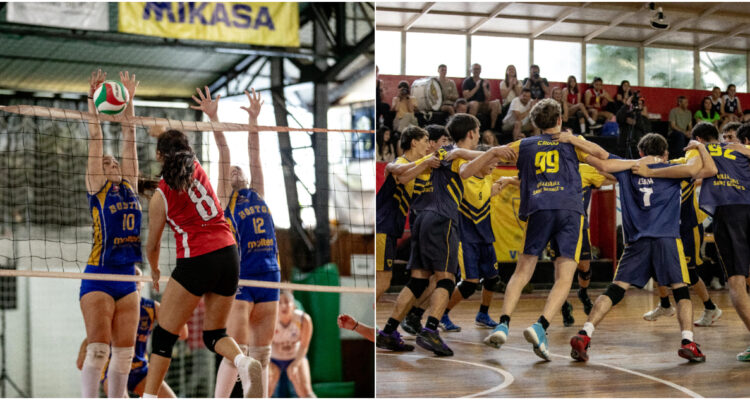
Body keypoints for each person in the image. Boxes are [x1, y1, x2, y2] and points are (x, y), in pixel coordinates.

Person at [377, 114, 516, 357]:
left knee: (419, 280)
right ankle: (431, 329)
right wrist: (494, 151)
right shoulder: (452, 152)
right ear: (472, 133)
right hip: (441, 218)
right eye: (478, 129)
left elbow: (467, 167)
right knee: (446, 278)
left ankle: (389, 331)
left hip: (421, 220)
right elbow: (467, 166)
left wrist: (491, 154)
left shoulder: (445, 154)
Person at [483, 99, 609, 361]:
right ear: (560, 120)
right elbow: (602, 155)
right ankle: (541, 326)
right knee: (564, 276)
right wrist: (574, 140)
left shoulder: (524, 145)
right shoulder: (570, 145)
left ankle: (503, 323)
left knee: (522, 270)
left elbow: (495, 153)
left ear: (533, 123)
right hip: (568, 211)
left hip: (539, 208)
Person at [142, 125, 262, 397]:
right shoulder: (197, 166)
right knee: (215, 334)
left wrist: (154, 267)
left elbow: (153, 244)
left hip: (197, 259)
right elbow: (177, 141)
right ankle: (243, 361)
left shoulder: (161, 196)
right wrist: (163, 131)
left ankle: (148, 397)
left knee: (164, 336)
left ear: (159, 155)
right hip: (230, 255)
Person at [569, 133, 711, 363]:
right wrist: (699, 147)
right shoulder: (674, 169)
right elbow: (700, 169)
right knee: (681, 290)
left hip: (636, 241)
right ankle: (688, 342)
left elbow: (597, 157)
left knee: (615, 289)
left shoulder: (628, 169)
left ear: (641, 152)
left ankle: (585, 334)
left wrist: (573, 139)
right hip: (667, 238)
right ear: (665, 153)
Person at [190, 88, 281, 398]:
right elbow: (223, 152)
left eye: (238, 170)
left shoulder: (258, 193)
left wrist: (254, 119)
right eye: (231, 171)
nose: (236, 169)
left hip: (270, 274)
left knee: (262, 353)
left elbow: (254, 154)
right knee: (239, 350)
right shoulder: (225, 200)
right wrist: (214, 117)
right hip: (241, 276)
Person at [80, 69, 141, 399]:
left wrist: (129, 104)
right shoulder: (97, 189)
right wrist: (93, 104)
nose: (110, 160)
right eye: (105, 163)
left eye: (113, 161)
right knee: (99, 352)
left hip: (128, 278)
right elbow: (96, 139)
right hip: (99, 275)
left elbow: (129, 138)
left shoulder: (130, 185)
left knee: (124, 358)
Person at [77, 268, 189, 398]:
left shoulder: (151, 307)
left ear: (142, 283)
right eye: (130, 276)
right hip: (111, 369)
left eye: (137, 278)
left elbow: (182, 334)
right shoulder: (113, 305)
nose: (134, 280)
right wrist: (84, 352)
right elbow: (96, 336)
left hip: (140, 370)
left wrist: (175, 309)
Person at [692, 122, 750, 361]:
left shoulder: (705, 150)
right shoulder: (742, 151)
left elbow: (698, 173)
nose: (728, 140)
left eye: (731, 137)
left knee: (735, 281)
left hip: (730, 213)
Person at [438, 145, 505, 332]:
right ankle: (441, 314)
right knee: (469, 283)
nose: (495, 164)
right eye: (491, 161)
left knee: (492, 279)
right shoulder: (464, 179)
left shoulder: (489, 178)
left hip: (485, 236)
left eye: (496, 161)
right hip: (465, 238)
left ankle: (483, 314)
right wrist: (460, 152)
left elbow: (499, 183)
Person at [376, 126, 439, 301]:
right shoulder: (401, 163)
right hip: (381, 227)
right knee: (382, 281)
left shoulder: (419, 169)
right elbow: (399, 173)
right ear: (413, 142)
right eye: (425, 141)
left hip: (390, 229)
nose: (428, 145)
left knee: (383, 280)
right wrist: (426, 161)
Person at [269, 291, 315, 398]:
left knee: (305, 391)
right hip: (273, 358)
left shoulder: (304, 319)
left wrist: (295, 364)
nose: (283, 306)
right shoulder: (269, 320)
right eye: (279, 302)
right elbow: (263, 345)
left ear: (294, 305)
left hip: (296, 356)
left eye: (287, 301)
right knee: (266, 390)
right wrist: (267, 363)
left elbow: (304, 345)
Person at [462, 63, 502, 130]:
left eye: (478, 69)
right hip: (471, 103)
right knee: (475, 104)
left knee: (496, 103)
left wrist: (484, 87)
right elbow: (467, 96)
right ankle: (471, 128)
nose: (476, 71)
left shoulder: (484, 81)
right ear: (471, 70)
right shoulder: (467, 81)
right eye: (475, 69)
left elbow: (488, 97)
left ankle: (492, 128)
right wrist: (476, 87)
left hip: (483, 103)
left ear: (480, 70)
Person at [616, 93, 651, 158]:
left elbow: (647, 130)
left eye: (640, 104)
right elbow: (618, 118)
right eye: (636, 104)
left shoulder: (644, 118)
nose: (637, 106)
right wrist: (626, 105)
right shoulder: (625, 115)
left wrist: (635, 123)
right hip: (624, 147)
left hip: (638, 149)